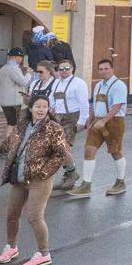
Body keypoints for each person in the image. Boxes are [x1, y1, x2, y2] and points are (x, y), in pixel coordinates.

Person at [0, 95, 70, 265]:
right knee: (12, 215)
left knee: (34, 217)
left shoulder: (53, 128)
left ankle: (44, 253)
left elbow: (61, 154)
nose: (41, 110)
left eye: (45, 106)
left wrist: (44, 172)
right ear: (31, 108)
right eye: (38, 106)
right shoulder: (21, 127)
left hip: (39, 181)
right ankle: (11, 247)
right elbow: (5, 147)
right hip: (18, 178)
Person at [69, 59, 130, 198]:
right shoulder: (98, 85)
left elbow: (117, 106)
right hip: (97, 121)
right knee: (89, 151)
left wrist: (104, 120)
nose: (103, 71)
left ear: (112, 69)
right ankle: (86, 185)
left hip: (114, 122)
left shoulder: (119, 85)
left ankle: (121, 182)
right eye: (100, 69)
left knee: (116, 152)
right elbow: (95, 104)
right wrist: (90, 120)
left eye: (106, 68)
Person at [46, 61, 88, 191]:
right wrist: (50, 110)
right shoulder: (57, 82)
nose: (63, 70)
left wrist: (82, 121)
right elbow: (52, 99)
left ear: (73, 69)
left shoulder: (79, 83)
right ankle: (69, 175)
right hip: (58, 117)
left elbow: (84, 103)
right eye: (61, 68)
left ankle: (72, 174)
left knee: (64, 147)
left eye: (66, 68)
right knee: (59, 148)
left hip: (72, 117)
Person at [0, 48, 31, 126]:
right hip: (13, 101)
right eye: (21, 57)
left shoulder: (3, 68)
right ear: (17, 57)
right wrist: (29, 73)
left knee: (10, 123)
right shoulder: (14, 69)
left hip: (5, 100)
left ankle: (7, 138)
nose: (21, 59)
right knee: (13, 125)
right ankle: (10, 138)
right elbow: (24, 82)